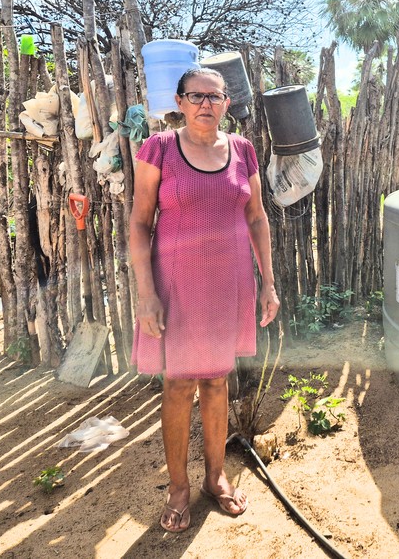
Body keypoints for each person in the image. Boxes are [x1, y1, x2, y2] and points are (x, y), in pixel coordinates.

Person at [129, 66, 280, 533]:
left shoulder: (243, 150)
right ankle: (178, 487)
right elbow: (140, 222)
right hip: (176, 283)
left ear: (227, 104)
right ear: (179, 102)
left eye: (215, 97)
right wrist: (146, 294)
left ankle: (215, 478)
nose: (205, 104)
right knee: (178, 384)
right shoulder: (159, 148)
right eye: (196, 96)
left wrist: (268, 282)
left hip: (227, 282)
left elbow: (256, 217)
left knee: (216, 381)